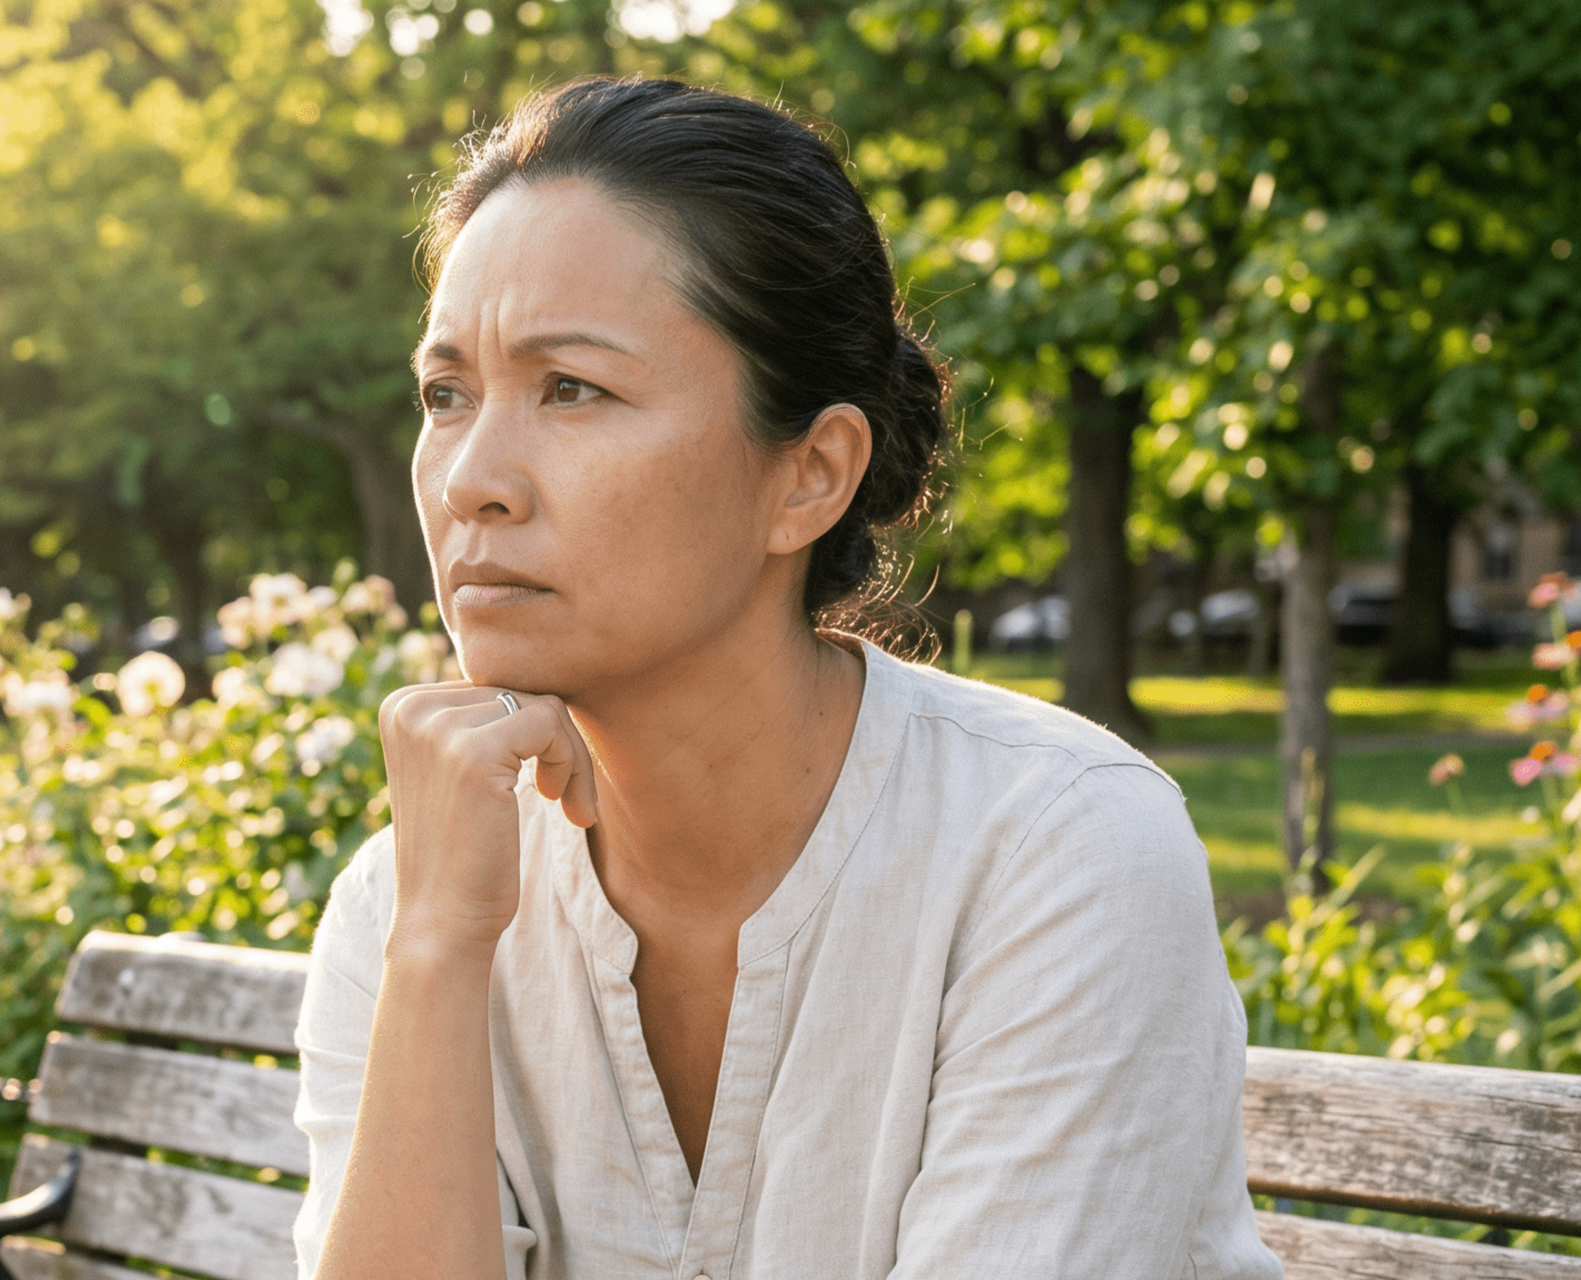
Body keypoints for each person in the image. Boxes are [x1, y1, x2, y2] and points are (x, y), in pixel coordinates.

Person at [292, 76, 1281, 1280]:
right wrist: (439, 944)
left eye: (573, 388)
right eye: (446, 395)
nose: (469, 480)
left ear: (809, 474)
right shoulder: (408, 902)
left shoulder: (1054, 849)